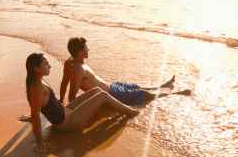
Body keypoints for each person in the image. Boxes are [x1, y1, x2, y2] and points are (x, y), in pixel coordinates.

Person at [25, 53, 139, 152]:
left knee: (97, 91)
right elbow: (35, 113)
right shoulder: (37, 87)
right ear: (36, 69)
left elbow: (37, 106)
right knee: (103, 96)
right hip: (68, 123)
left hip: (67, 112)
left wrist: (31, 116)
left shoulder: (38, 80)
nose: (49, 66)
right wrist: (40, 142)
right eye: (46, 64)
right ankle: (131, 111)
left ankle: (119, 108)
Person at [59, 37, 191, 106]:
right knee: (146, 95)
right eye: (87, 49)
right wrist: (73, 112)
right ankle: (178, 94)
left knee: (137, 87)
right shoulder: (77, 70)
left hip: (112, 86)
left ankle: (164, 86)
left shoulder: (69, 62)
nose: (89, 50)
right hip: (113, 95)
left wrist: (60, 99)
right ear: (80, 52)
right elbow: (72, 95)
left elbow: (64, 82)